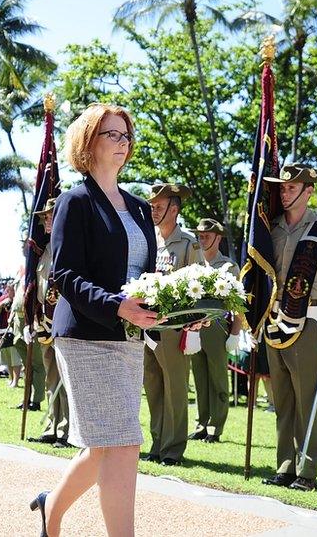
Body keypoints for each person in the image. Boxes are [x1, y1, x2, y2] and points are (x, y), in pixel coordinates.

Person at [32, 103, 159, 536]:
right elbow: (63, 273)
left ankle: (50, 509)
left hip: (128, 339)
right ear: (89, 142)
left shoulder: (141, 208)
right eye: (111, 134)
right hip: (87, 335)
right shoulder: (75, 201)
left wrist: (179, 315)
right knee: (123, 443)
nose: (122, 143)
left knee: (107, 443)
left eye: (125, 135)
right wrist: (115, 305)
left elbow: (148, 279)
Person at [256, 163, 317, 492]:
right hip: (274, 319)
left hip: (308, 319)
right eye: (282, 188)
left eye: (292, 188)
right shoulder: (270, 228)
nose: (285, 192)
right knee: (282, 398)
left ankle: (307, 471)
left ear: (309, 191)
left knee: (307, 398)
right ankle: (285, 465)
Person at [144, 182, 204, 466]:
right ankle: (157, 444)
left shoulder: (189, 243)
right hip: (146, 325)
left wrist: (193, 327)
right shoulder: (148, 238)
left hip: (174, 327)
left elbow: (201, 286)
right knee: (153, 386)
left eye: (159, 205)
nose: (153, 210)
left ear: (174, 209)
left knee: (175, 390)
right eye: (152, 205)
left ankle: (172, 449)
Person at [188, 218, 241, 443]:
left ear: (218, 238)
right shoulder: (194, 265)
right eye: (200, 235)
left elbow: (238, 301)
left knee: (218, 378)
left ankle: (215, 427)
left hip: (218, 327)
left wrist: (235, 333)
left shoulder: (228, 266)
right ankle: (202, 423)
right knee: (199, 377)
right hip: (194, 327)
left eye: (207, 235)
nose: (202, 239)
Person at [28, 198, 72, 447]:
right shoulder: (45, 251)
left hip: (63, 322)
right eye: (44, 217)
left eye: (50, 216)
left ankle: (66, 431)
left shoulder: (69, 247)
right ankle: (51, 427)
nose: (45, 220)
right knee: (51, 378)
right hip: (45, 322)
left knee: (66, 379)